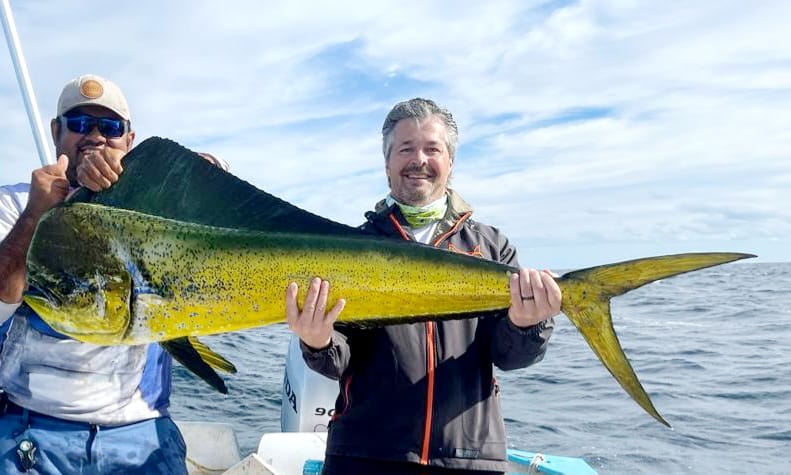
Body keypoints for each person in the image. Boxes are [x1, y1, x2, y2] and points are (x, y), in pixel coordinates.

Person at [286, 98, 562, 475]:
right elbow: (340, 359)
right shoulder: (352, 250)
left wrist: (527, 324)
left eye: (432, 148)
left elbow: (511, 357)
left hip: (469, 459)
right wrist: (316, 342)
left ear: (450, 161)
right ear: (387, 163)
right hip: (365, 456)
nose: (419, 159)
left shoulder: (493, 247)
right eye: (405, 149)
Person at [0, 74, 189, 474]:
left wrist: (147, 177)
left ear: (129, 140)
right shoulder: (16, 203)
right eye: (81, 125)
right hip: (30, 431)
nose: (96, 137)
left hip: (140, 433)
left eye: (111, 127)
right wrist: (37, 214)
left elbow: (210, 173)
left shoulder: (159, 208)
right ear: (57, 132)